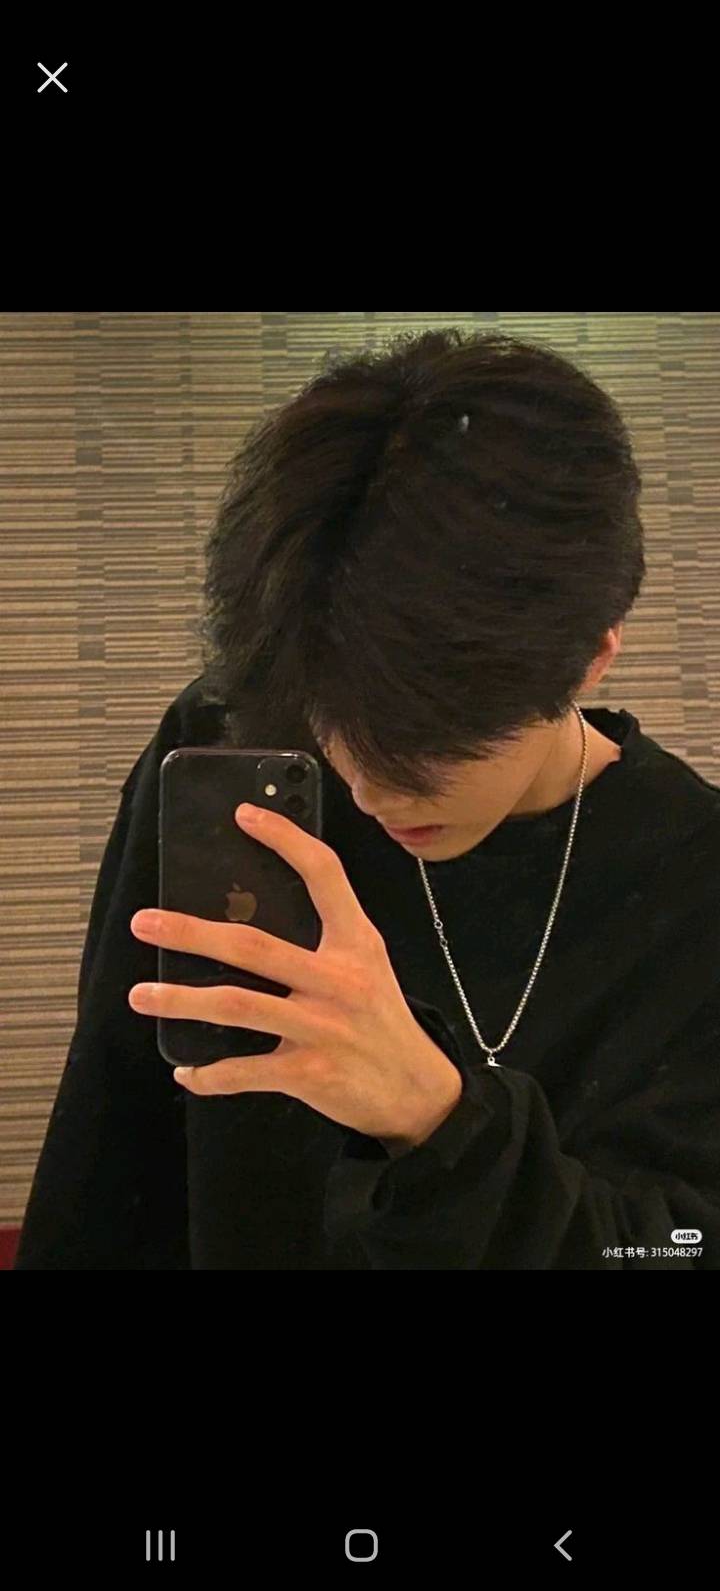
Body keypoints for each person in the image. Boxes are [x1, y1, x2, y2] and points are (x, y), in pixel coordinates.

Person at [14, 327, 720, 1270]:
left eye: (435, 740)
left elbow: (675, 1245)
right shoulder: (238, 745)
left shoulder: (694, 879)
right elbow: (111, 1138)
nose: (369, 784)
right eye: (333, 720)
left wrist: (437, 1117)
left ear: (592, 655)